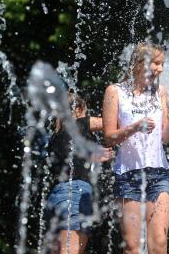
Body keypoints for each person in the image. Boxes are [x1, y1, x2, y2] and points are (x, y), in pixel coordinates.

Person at [102, 42, 169, 254]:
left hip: (159, 174)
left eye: (162, 64)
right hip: (128, 175)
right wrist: (135, 127)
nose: (161, 69)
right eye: (156, 63)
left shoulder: (161, 92)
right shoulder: (115, 92)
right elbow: (110, 137)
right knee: (133, 246)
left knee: (158, 242)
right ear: (140, 63)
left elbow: (165, 138)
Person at [46, 93, 114, 254]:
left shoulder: (55, 137)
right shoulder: (79, 123)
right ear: (77, 109)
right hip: (75, 194)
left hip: (56, 197)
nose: (86, 115)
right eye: (85, 111)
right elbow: (110, 123)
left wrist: (92, 156)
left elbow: (70, 163)